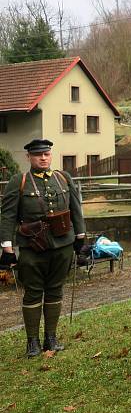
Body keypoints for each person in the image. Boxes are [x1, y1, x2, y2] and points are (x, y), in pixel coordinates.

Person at [0, 139, 87, 357]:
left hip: (63, 246)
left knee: (55, 289)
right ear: (28, 157)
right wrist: (7, 248)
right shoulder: (18, 182)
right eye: (38, 155)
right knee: (32, 293)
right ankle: (32, 342)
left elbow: (75, 208)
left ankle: (51, 338)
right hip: (32, 248)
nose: (43, 158)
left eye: (47, 154)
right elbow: (8, 216)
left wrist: (80, 237)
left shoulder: (63, 178)